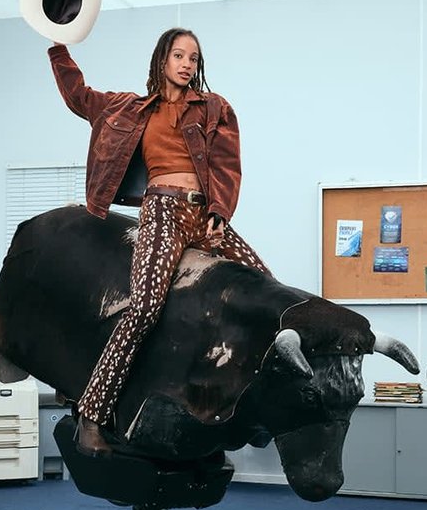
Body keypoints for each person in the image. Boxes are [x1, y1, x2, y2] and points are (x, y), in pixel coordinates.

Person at [48, 28, 272, 457]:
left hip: (204, 215)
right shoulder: (128, 108)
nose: (187, 64)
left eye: (194, 57)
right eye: (179, 55)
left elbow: (227, 164)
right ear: (161, 60)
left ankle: (250, 408)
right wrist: (57, 48)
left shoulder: (214, 107)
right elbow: (79, 96)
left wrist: (219, 214)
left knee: (264, 288)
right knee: (145, 309)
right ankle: (92, 416)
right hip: (162, 212)